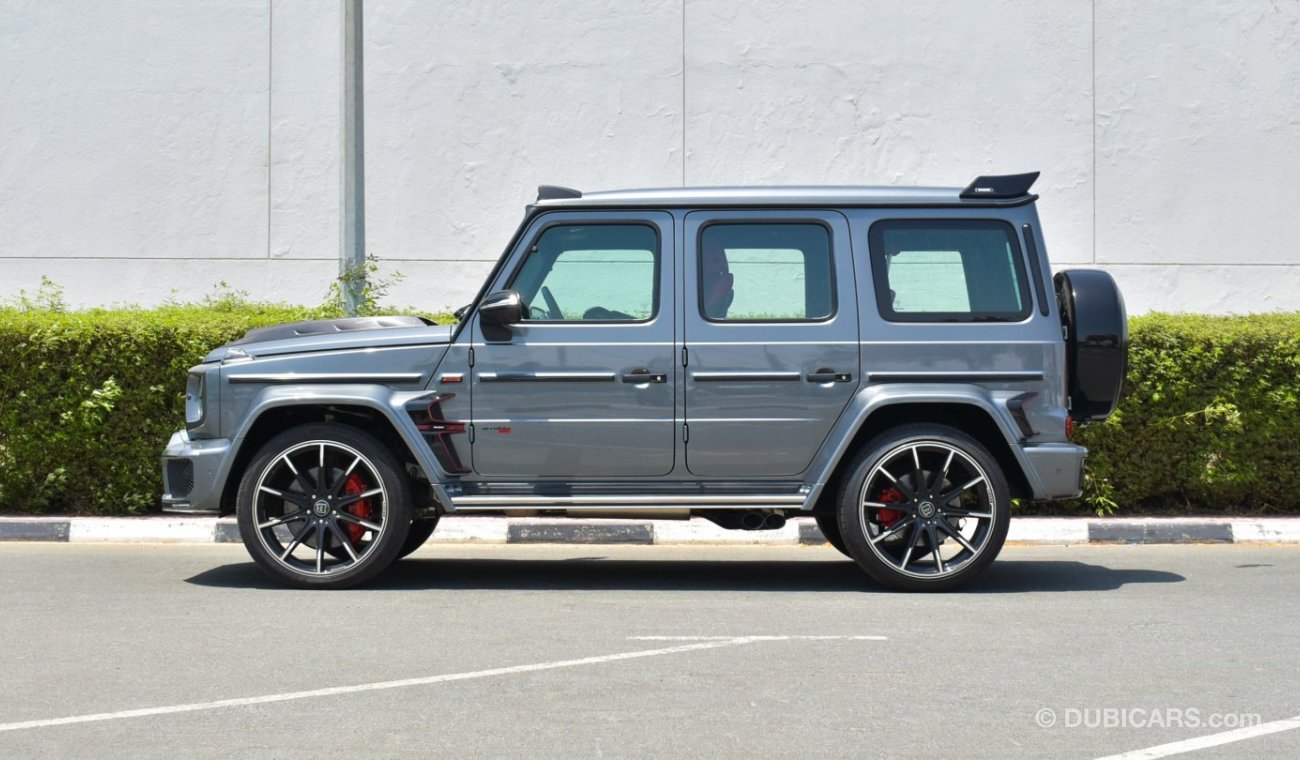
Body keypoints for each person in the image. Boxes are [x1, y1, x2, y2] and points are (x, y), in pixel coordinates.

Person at [701, 240, 735, 319]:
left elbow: (728, 278)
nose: (721, 264)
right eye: (715, 260)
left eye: (723, 259)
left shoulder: (728, 291)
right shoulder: (695, 283)